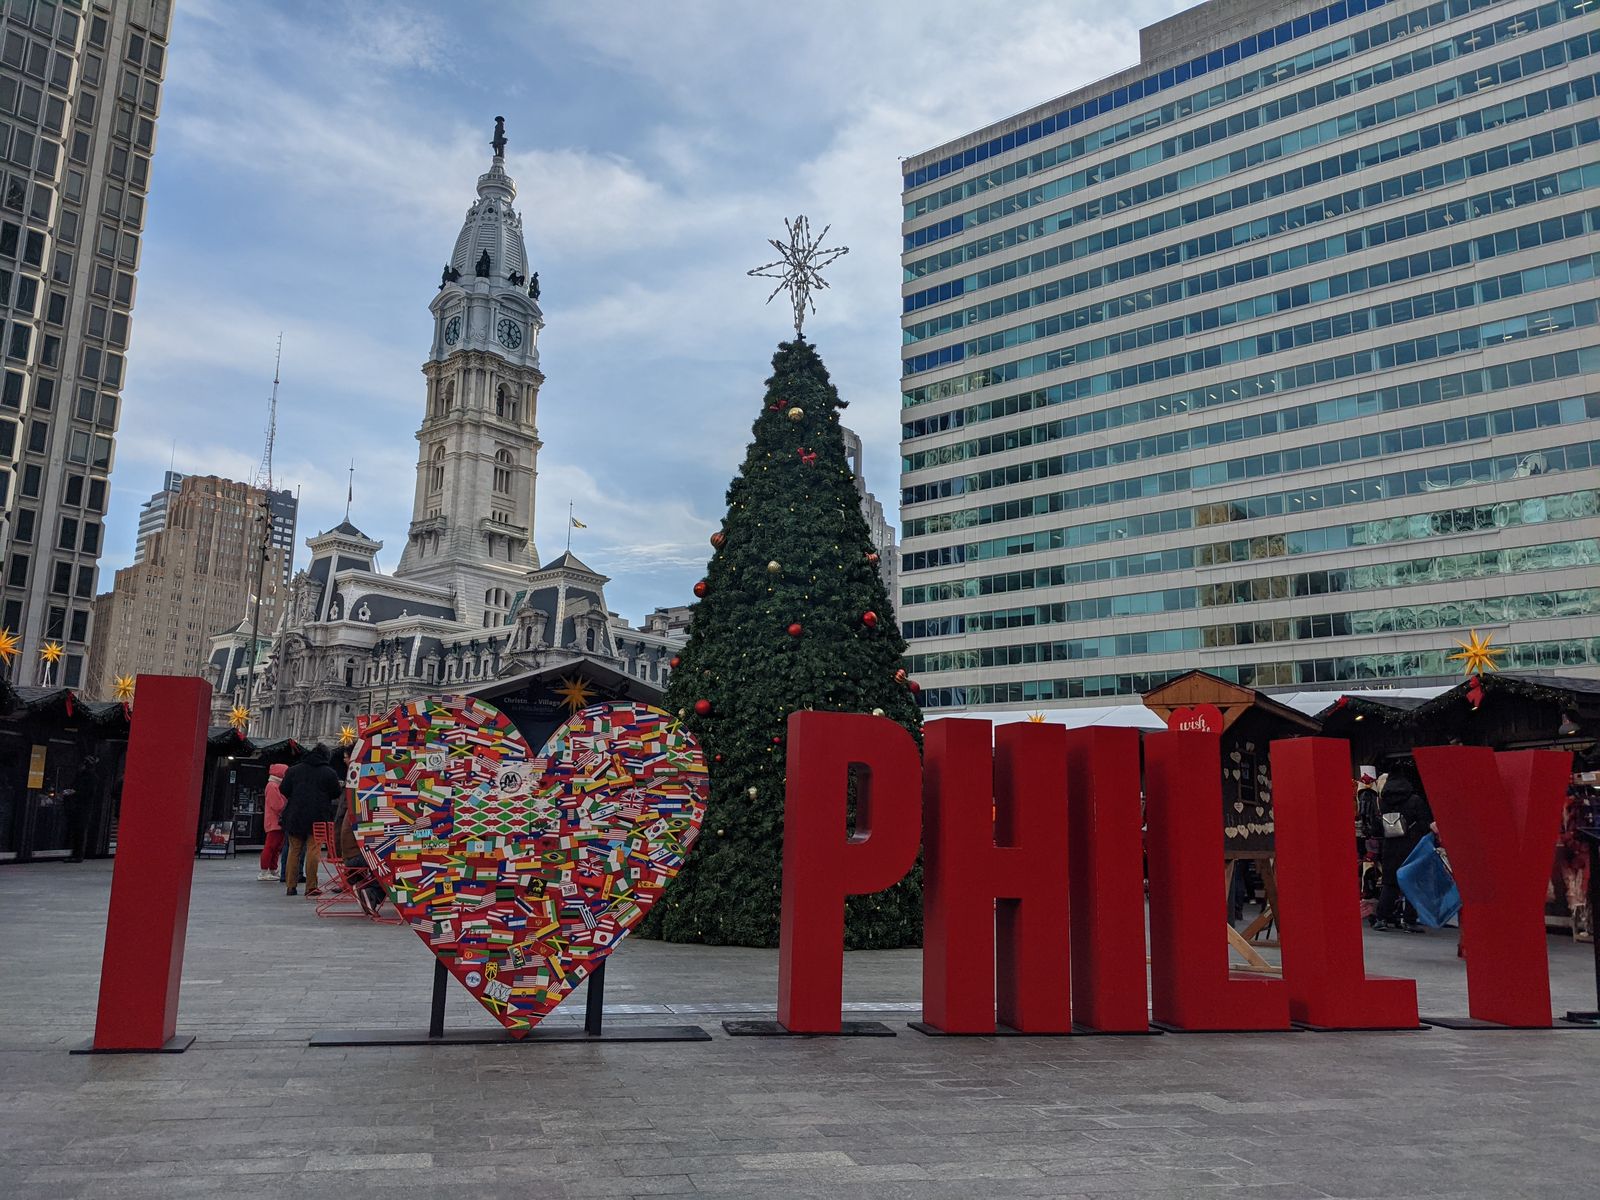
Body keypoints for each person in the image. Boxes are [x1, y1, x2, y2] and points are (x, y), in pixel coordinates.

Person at [1373, 773, 1434, 932]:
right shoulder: (1415, 800)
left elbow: (1376, 827)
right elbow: (1424, 823)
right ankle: (1409, 921)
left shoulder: (1382, 801)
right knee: (1413, 884)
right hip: (1412, 847)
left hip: (1390, 847)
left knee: (1390, 884)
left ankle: (1381, 918)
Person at [280, 746, 341, 897]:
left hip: (295, 815)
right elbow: (336, 793)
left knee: (294, 851)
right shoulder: (329, 772)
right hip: (318, 816)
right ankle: (311, 886)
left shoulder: (294, 770)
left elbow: (284, 789)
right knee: (314, 850)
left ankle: (290, 886)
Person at [62, 755, 99, 862]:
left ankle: (78, 855)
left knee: (80, 831)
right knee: (76, 831)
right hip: (78, 807)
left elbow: (89, 793)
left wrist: (74, 792)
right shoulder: (82, 776)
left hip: (83, 808)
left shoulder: (91, 777)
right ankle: (75, 853)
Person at [257, 763, 287, 882]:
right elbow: (277, 805)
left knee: (275, 847)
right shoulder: (273, 786)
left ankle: (273, 869)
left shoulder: (274, 785)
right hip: (275, 821)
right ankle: (264, 871)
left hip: (276, 821)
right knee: (270, 846)